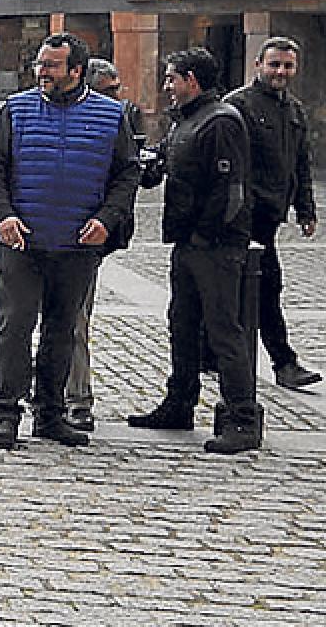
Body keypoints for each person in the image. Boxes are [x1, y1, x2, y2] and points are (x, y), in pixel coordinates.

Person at [0, 32, 141, 449]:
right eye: (39, 64)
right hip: (22, 242)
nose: (41, 72)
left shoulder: (111, 115)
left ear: (75, 71)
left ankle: (50, 413)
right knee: (14, 326)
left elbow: (127, 174)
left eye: (50, 65)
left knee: (62, 330)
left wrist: (107, 219)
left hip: (77, 245)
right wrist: (3, 214)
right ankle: (6, 413)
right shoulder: (14, 110)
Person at [127, 48, 262, 454]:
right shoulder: (186, 121)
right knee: (181, 324)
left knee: (223, 330)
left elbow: (230, 192)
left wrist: (206, 236)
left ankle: (241, 416)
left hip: (216, 247)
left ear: (191, 80)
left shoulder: (221, 121)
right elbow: (164, 166)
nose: (167, 86)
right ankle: (180, 401)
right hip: (187, 242)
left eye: (171, 78)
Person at [226, 36, 321, 390]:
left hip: (269, 218)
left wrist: (305, 208)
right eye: (275, 64)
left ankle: (213, 354)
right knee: (261, 288)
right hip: (242, 218)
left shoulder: (293, 110)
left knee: (253, 289)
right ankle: (284, 362)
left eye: (287, 66)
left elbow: (300, 163)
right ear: (258, 65)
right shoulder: (238, 105)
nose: (281, 71)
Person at [63, 58, 145, 431]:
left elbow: (126, 176)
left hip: (87, 239)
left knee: (76, 319)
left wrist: (107, 222)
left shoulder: (118, 122)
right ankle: (51, 391)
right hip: (43, 235)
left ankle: (77, 398)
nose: (118, 96)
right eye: (110, 89)